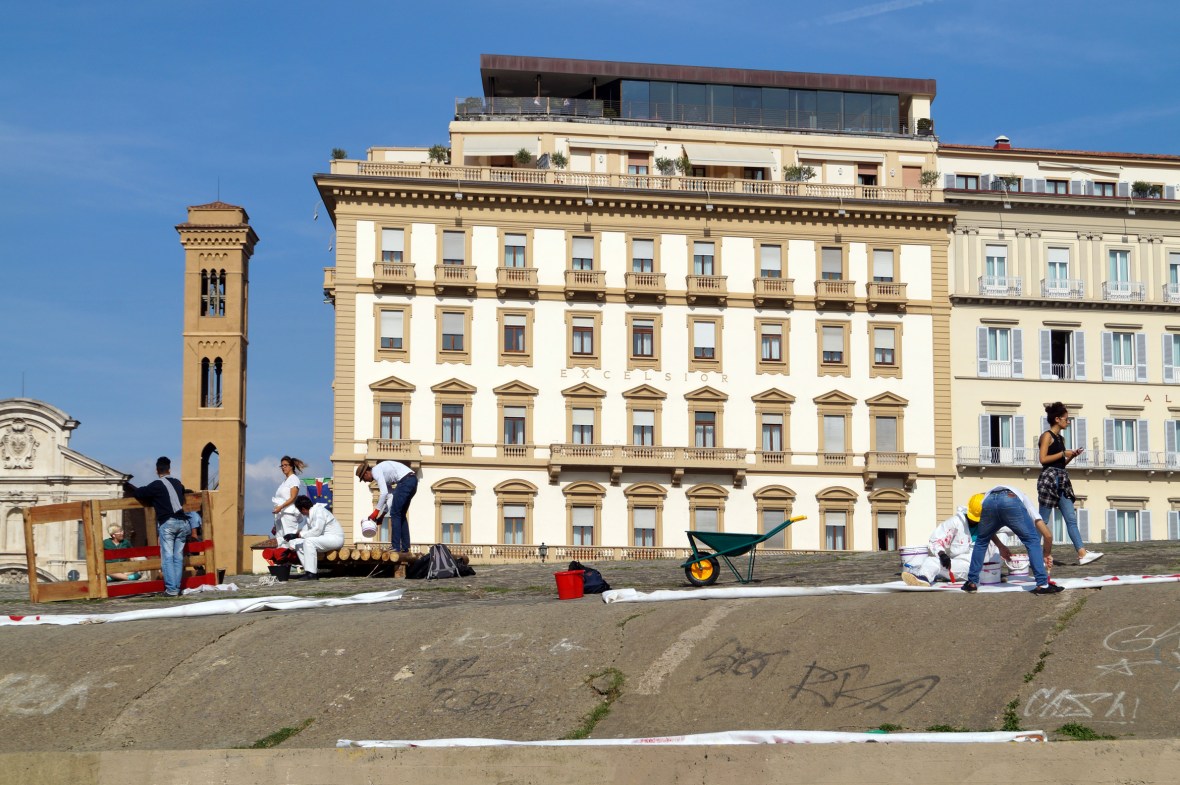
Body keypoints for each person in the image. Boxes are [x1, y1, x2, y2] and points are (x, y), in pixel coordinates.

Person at [963, 487, 1062, 595]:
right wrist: (1046, 554)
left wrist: (1000, 546)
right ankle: (1042, 584)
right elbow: (1048, 536)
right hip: (1010, 499)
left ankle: (971, 583)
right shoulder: (1024, 498)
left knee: (981, 542)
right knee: (1032, 541)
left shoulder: (985, 498)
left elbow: (987, 533)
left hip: (988, 503)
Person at [1038, 402, 1102, 566]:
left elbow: (1060, 464)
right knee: (1043, 520)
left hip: (1062, 478)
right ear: (1057, 419)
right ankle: (1036, 555)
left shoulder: (1061, 438)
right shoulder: (1047, 436)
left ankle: (1082, 553)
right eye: (1066, 419)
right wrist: (1062, 453)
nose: (1068, 421)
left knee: (1070, 518)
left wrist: (1071, 455)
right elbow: (1043, 459)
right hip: (1049, 479)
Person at [901, 503, 1012, 586]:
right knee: (932, 561)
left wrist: (1001, 545)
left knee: (1003, 534)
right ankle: (923, 578)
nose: (977, 522)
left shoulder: (987, 521)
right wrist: (942, 554)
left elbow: (1011, 527)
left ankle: (993, 574)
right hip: (964, 565)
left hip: (987, 565)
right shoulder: (956, 522)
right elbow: (935, 539)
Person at [128, 457, 191, 597]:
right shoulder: (177, 483)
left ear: (157, 470)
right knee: (178, 557)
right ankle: (177, 587)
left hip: (168, 522)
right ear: (169, 469)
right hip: (183, 522)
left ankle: (172, 589)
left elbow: (139, 493)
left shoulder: (156, 485)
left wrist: (153, 499)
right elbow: (182, 492)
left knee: (167, 557)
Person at [356, 460, 417, 553]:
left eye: (363, 479)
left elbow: (383, 493)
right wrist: (382, 515)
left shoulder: (376, 471)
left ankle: (395, 546)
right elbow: (391, 497)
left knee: (395, 514)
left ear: (366, 473)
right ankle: (405, 547)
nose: (365, 481)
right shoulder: (383, 476)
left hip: (405, 481)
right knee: (401, 514)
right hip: (412, 481)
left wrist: (375, 512)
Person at [288, 495, 344, 581]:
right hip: (325, 539)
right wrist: (292, 545)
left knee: (309, 542)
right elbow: (304, 531)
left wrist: (297, 535)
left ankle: (312, 574)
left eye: (299, 510)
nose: (300, 513)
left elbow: (317, 531)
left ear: (303, 509)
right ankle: (309, 572)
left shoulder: (319, 511)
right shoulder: (309, 516)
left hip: (335, 539)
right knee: (299, 546)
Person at [272, 456, 306, 546]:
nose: (283, 467)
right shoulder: (284, 481)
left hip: (288, 513)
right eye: (282, 466)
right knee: (280, 539)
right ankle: (281, 553)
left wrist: (281, 507)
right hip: (280, 514)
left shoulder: (294, 479)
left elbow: (293, 497)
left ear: (291, 466)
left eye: (285, 465)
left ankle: (291, 553)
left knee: (289, 538)